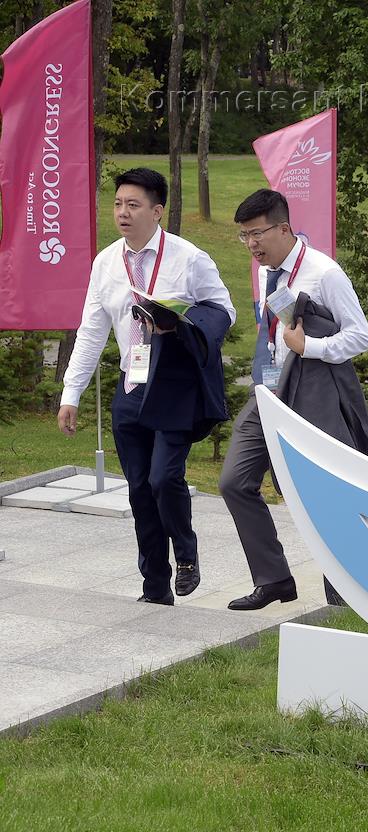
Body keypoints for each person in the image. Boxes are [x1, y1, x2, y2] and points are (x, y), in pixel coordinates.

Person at [58, 167, 235, 605]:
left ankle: (187, 554)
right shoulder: (106, 263)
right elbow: (91, 332)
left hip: (174, 384)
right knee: (138, 489)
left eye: (133, 205)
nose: (123, 212)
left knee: (163, 478)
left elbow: (223, 311)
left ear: (157, 211)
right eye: (118, 203)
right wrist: (71, 394)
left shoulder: (188, 258)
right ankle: (155, 587)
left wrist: (180, 325)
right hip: (131, 384)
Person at [221, 189, 368, 611]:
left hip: (312, 393)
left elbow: (361, 336)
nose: (251, 244)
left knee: (325, 492)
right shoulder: (265, 273)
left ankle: (342, 593)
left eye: (257, 234)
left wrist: (312, 348)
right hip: (269, 392)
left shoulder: (324, 273)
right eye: (244, 236)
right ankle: (273, 580)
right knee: (234, 481)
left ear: (284, 228)